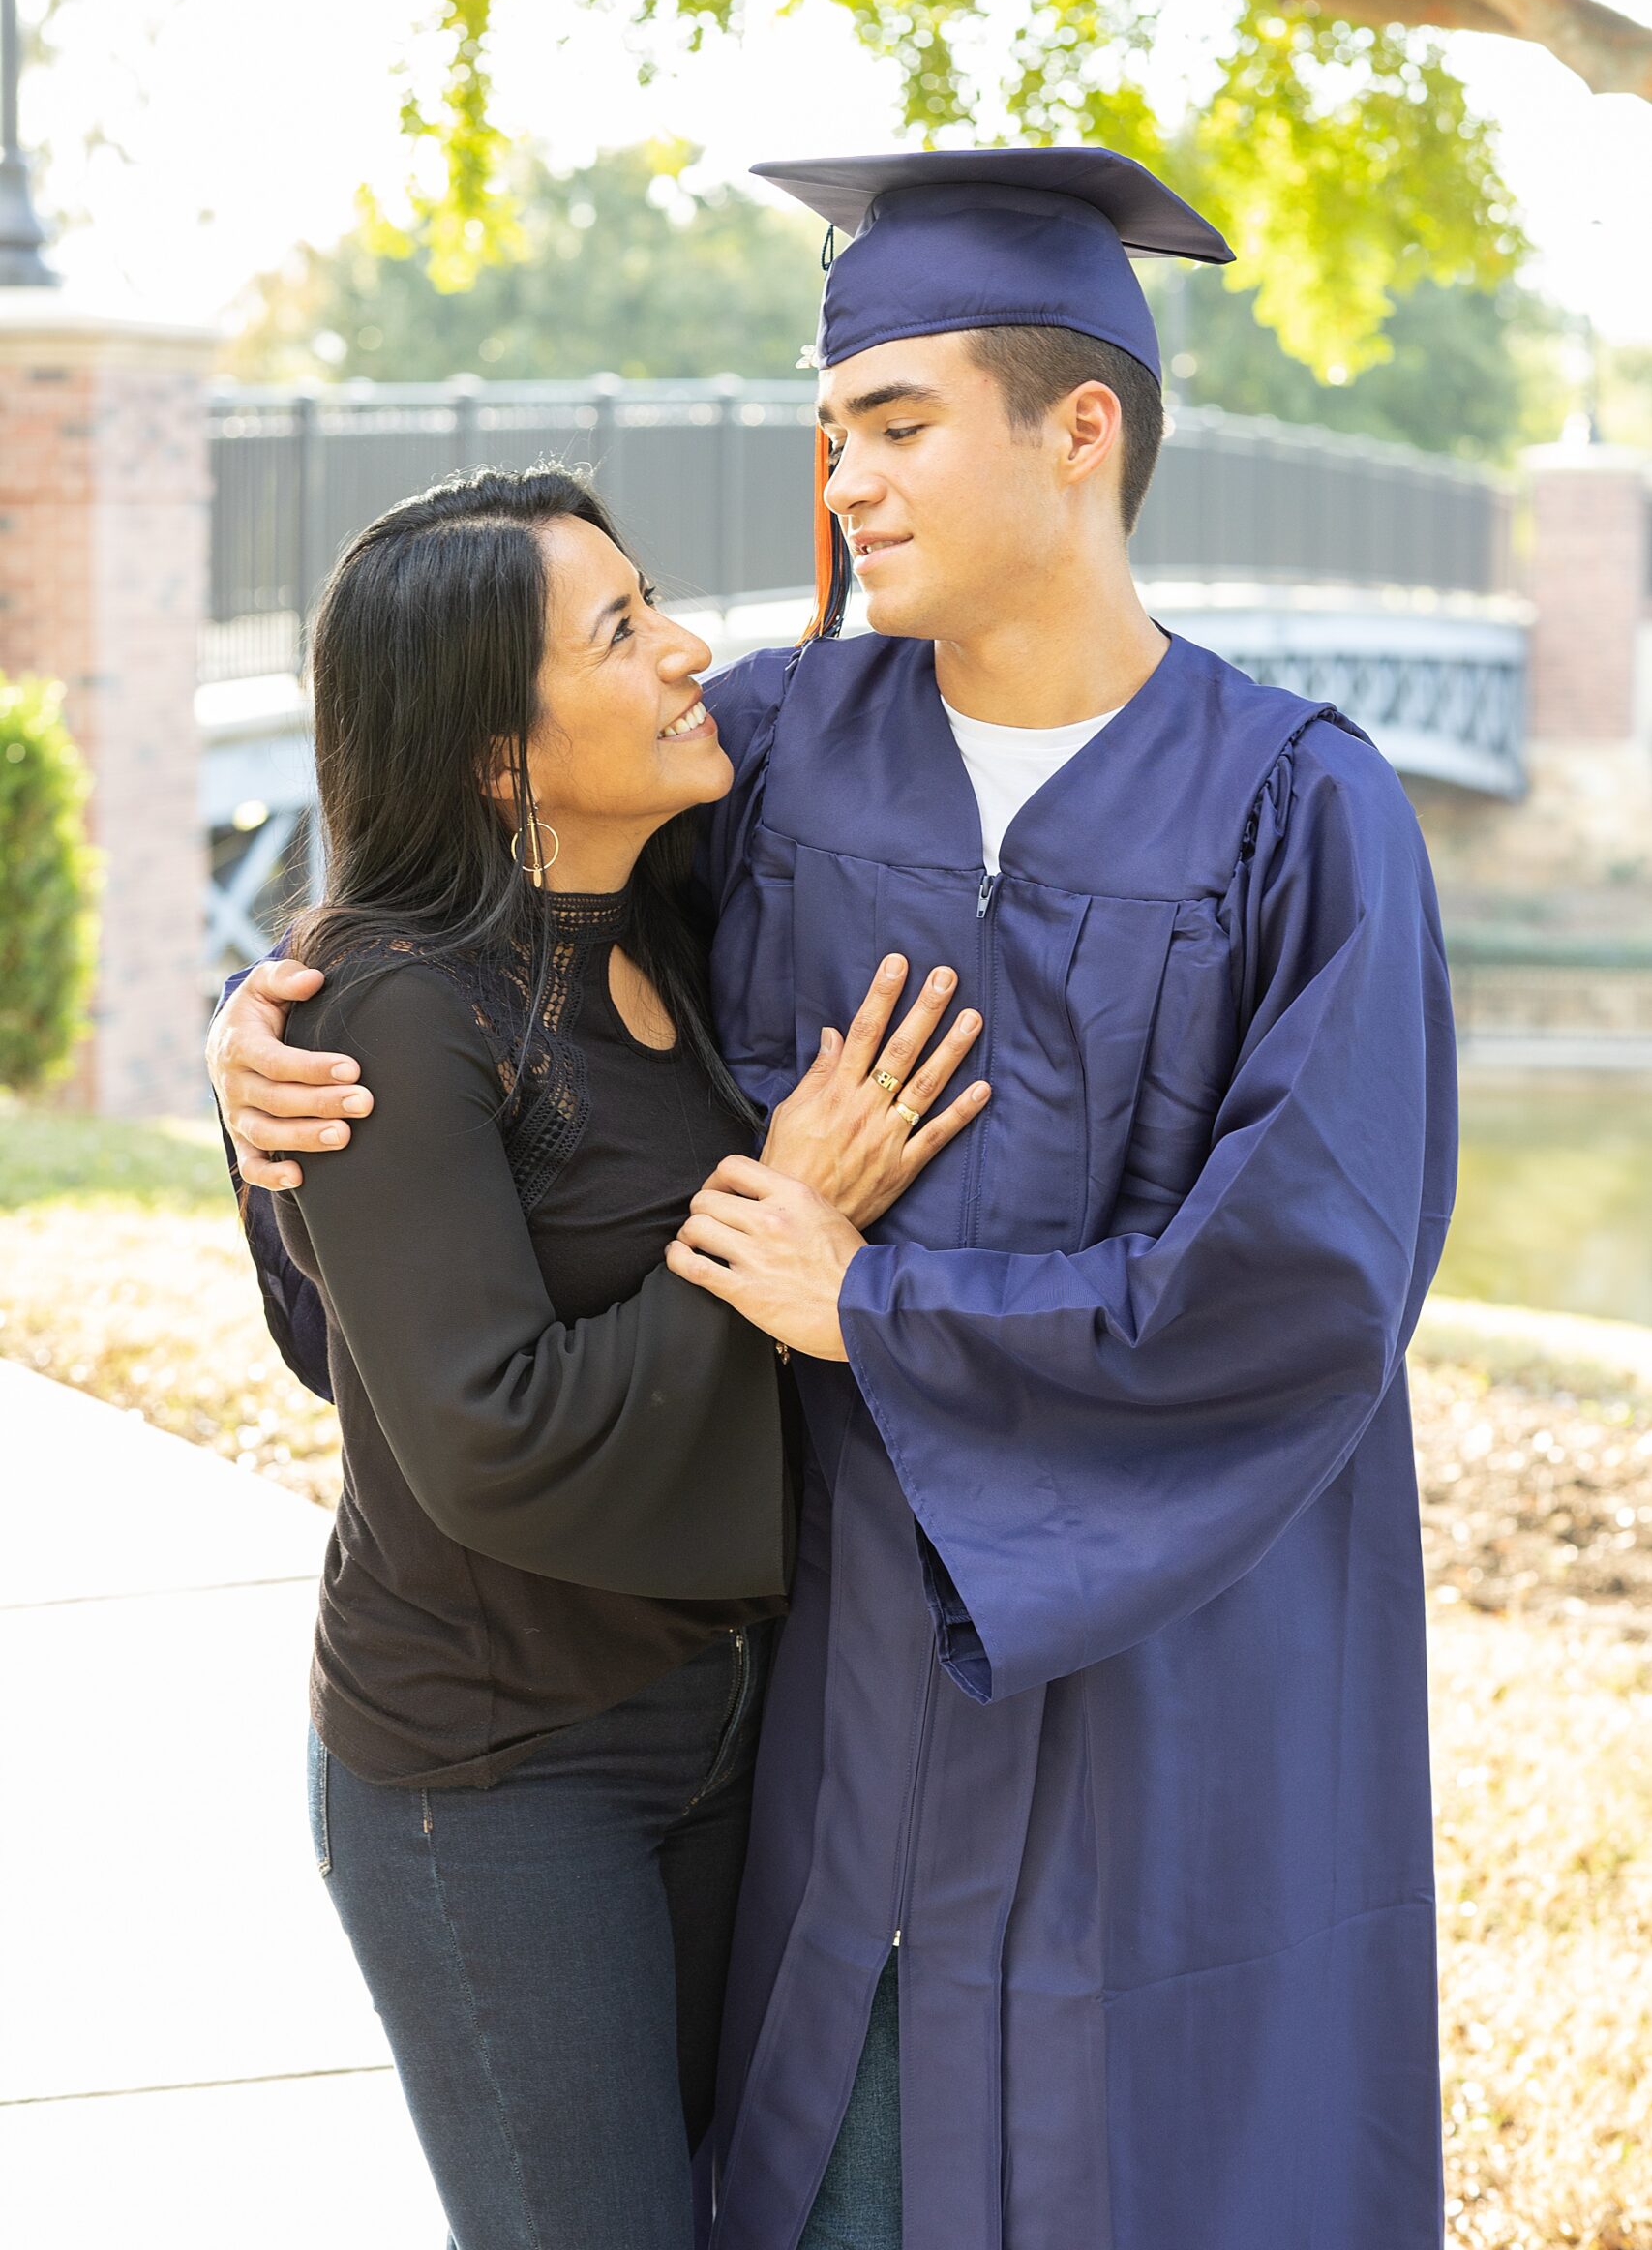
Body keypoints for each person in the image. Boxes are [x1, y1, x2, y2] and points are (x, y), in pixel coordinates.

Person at [211, 145, 1457, 2250]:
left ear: (1077, 433)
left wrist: (868, 1307)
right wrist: (266, 1039)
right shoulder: (779, 752)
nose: (841, 482)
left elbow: (1307, 1281)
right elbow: (493, 971)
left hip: (1172, 1655)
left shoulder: (1294, 811)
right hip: (825, 1669)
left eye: (892, 425)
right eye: (827, 433)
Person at [209, 464, 989, 2250]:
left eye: (654, 601)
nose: (687, 647)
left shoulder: (673, 918)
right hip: (496, 1774)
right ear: (498, 756)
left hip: (729, 1726)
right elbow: (484, 1431)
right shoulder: (397, 1006)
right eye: (622, 631)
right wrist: (773, 1228)